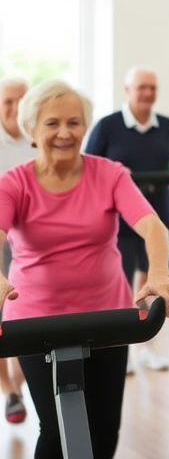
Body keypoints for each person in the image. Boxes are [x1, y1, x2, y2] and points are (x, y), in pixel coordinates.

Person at [0, 79, 169, 459]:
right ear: (32, 129)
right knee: (56, 430)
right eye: (52, 124)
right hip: (37, 324)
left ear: (86, 126)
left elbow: (152, 226)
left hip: (107, 320)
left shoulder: (109, 173)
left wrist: (159, 274)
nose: (65, 133)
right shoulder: (14, 183)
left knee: (104, 429)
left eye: (74, 122)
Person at [85, 66, 169, 373]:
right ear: (127, 89)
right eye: (142, 87)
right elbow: (89, 164)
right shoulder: (108, 126)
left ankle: (147, 348)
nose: (148, 93)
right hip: (119, 218)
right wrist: (116, 172)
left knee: (151, 282)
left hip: (156, 211)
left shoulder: (166, 126)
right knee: (121, 283)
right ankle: (120, 348)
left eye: (153, 88)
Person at [0, 77, 34, 424]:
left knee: (26, 315)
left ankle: (19, 382)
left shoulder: (39, 140)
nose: (14, 108)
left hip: (29, 242)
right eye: (8, 101)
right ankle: (9, 390)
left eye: (22, 101)